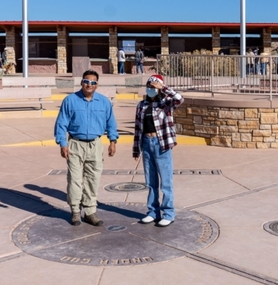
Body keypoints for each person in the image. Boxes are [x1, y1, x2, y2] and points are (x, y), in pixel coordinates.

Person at [54, 70, 119, 226]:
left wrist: (112, 141)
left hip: (95, 144)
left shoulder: (104, 102)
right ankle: (75, 211)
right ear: (82, 82)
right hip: (75, 144)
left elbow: (111, 123)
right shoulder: (70, 101)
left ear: (97, 84)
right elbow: (61, 124)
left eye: (93, 82)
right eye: (86, 81)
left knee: (92, 179)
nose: (89, 85)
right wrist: (63, 143)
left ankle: (90, 211)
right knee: (75, 180)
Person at [133, 74, 183, 227]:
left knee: (166, 182)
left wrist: (163, 87)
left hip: (162, 145)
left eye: (153, 87)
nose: (150, 89)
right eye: (149, 86)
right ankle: (153, 212)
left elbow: (179, 99)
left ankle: (168, 213)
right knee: (150, 181)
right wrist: (136, 149)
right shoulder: (141, 105)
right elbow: (137, 129)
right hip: (147, 143)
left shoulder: (165, 103)